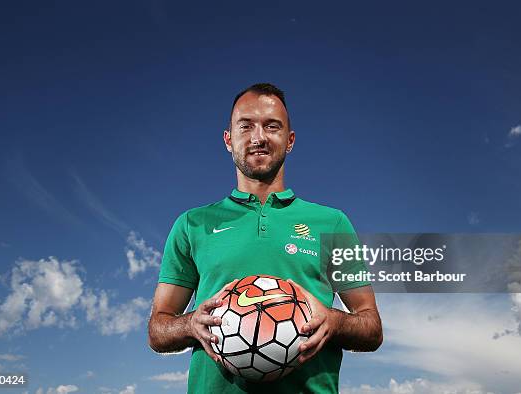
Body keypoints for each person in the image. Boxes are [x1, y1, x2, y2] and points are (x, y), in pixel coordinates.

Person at [148, 83, 383, 393]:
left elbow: (371, 326)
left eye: (272, 126)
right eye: (246, 126)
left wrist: (334, 321)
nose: (258, 137)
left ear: (290, 140)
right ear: (228, 140)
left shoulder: (333, 223)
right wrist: (190, 323)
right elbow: (158, 328)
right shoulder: (192, 224)